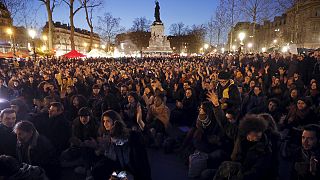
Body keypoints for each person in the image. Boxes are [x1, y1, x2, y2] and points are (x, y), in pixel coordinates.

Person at [91, 110, 151, 180]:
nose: (105, 124)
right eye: (104, 121)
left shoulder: (132, 136)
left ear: (115, 121)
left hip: (133, 171)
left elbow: (140, 162)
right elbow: (112, 159)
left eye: (108, 121)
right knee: (97, 170)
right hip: (121, 169)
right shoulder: (108, 137)